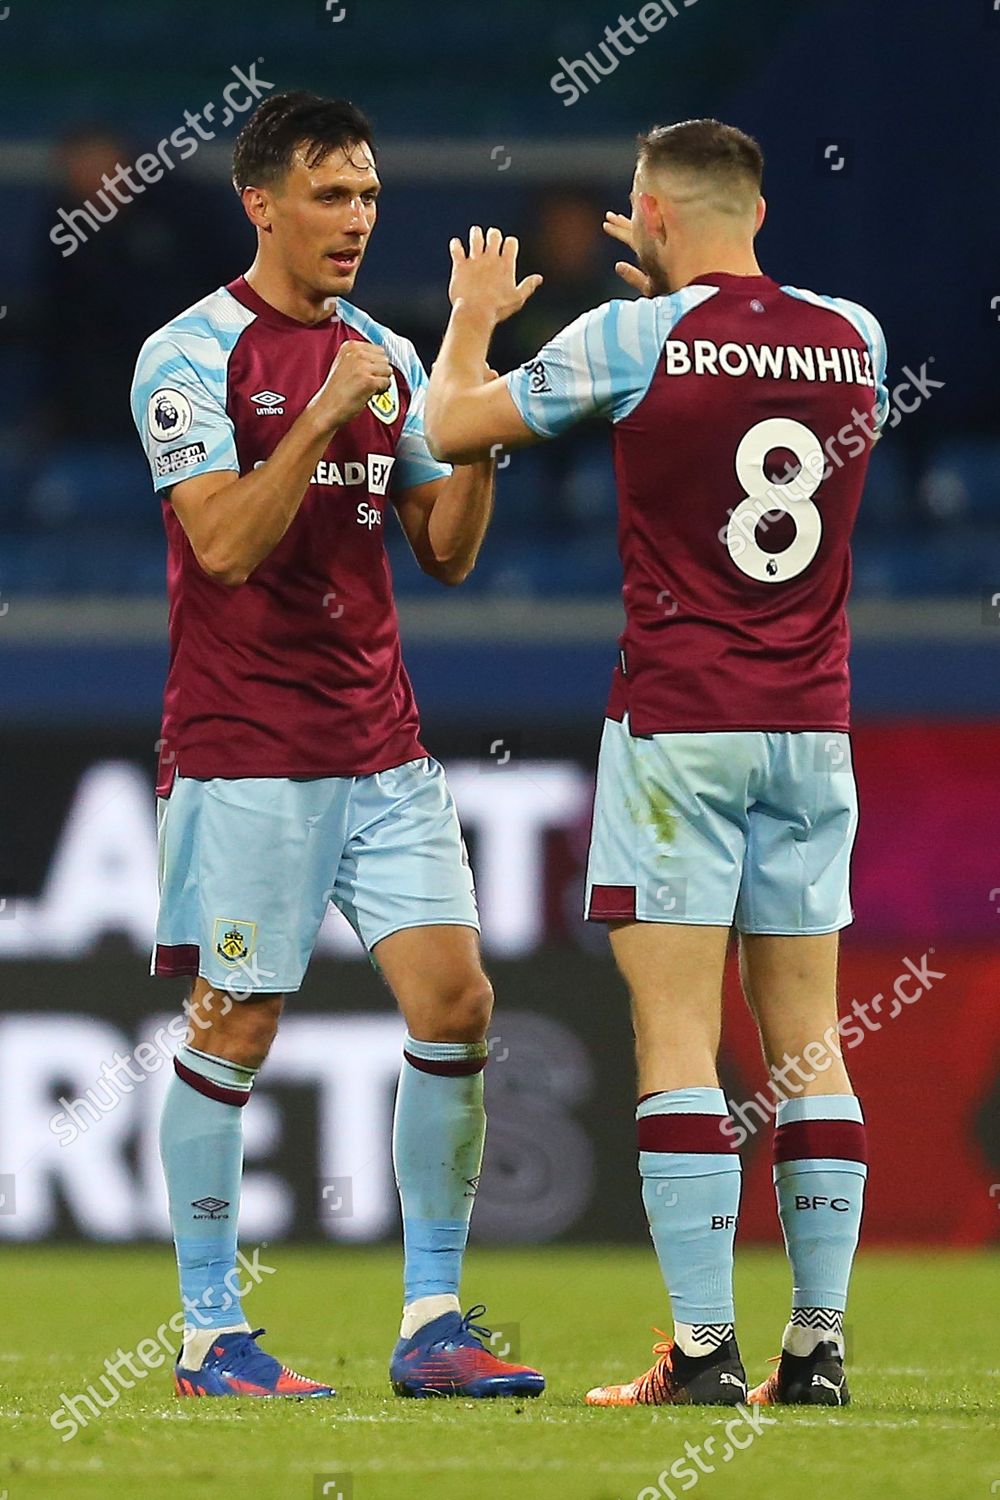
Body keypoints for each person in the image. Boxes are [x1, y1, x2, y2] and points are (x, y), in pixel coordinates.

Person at [424, 118, 888, 1409]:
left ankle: (699, 1354)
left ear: (653, 217)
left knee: (677, 1033)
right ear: (753, 205)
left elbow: (451, 425)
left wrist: (470, 320)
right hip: (814, 726)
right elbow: (756, 387)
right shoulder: (857, 333)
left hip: (682, 724)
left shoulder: (633, 338)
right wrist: (691, 308)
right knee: (806, 1041)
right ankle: (817, 1353)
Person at [130, 90, 544, 1401]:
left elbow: (449, 554)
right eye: (331, 193)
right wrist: (316, 416)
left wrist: (469, 367)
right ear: (263, 201)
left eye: (368, 194)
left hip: (382, 748)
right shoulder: (188, 354)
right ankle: (208, 1335)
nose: (357, 217)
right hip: (245, 749)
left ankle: (431, 1323)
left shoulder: (391, 352)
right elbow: (224, 547)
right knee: (236, 1022)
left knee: (459, 1004)